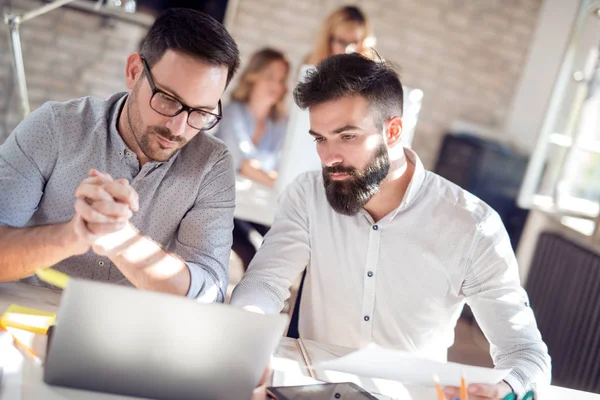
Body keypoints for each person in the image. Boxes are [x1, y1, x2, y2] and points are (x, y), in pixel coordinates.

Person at [230, 53, 551, 399]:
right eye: (320, 138)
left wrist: (507, 388)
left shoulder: (473, 227)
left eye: (347, 136)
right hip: (309, 390)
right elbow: (264, 282)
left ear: (393, 131)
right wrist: (247, 333)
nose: (328, 157)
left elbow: (526, 354)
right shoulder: (308, 195)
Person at [0, 9, 240, 302]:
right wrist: (76, 234)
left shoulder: (212, 165)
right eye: (167, 99)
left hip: (132, 332)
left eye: (200, 112)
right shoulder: (54, 126)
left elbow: (210, 291)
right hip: (29, 317)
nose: (177, 128)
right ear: (133, 71)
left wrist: (122, 240)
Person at [216, 48, 289, 189]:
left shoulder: (281, 124)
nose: (276, 85)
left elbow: (282, 167)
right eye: (270, 77)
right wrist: (277, 182)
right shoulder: (232, 112)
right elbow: (237, 162)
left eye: (281, 80)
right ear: (253, 76)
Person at [305, 5, 375, 66]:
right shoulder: (309, 67)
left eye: (354, 43)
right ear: (328, 40)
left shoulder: (372, 74)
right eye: (342, 42)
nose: (347, 51)